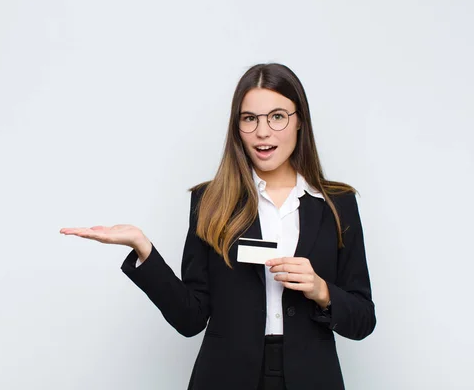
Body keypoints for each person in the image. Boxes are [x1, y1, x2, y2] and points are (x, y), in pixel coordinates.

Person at [60, 63, 376, 390]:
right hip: (225, 377)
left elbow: (363, 320)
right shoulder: (211, 201)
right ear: (237, 126)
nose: (263, 132)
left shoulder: (338, 204)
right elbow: (190, 318)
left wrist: (321, 290)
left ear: (299, 122)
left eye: (277, 116)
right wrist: (143, 249)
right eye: (249, 118)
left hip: (313, 378)